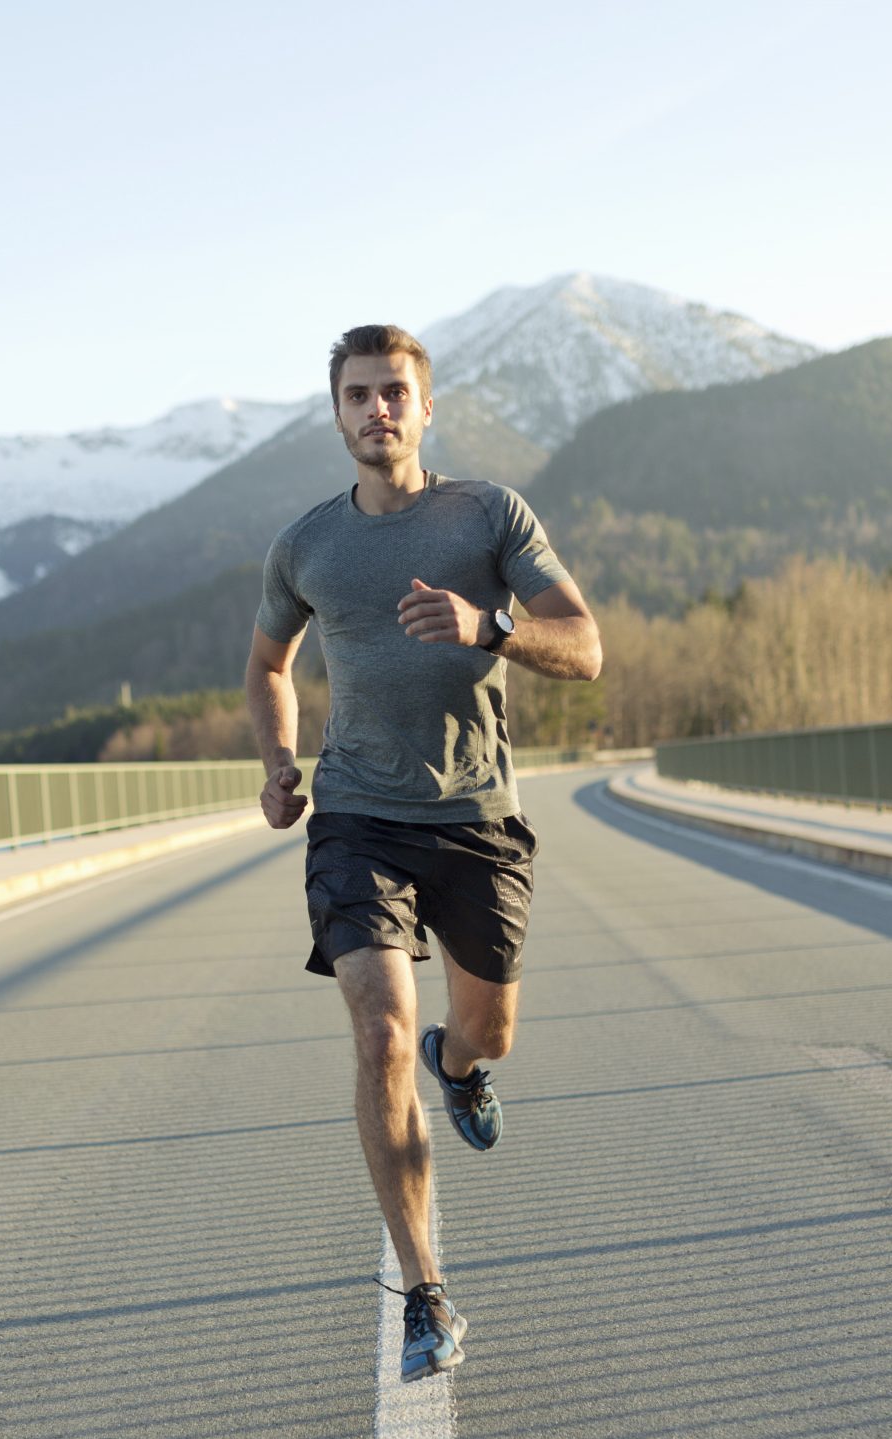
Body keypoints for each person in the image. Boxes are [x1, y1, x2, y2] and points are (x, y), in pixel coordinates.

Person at [243, 322, 603, 1381]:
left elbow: (582, 646)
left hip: (477, 816)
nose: (376, 411)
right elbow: (268, 662)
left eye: (394, 392)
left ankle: (464, 1065)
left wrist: (489, 627)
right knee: (379, 1035)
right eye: (357, 395)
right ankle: (424, 1294)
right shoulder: (306, 545)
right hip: (355, 815)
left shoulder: (488, 514)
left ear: (425, 406)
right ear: (337, 412)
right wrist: (277, 759)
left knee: (480, 1030)